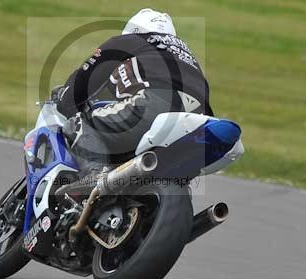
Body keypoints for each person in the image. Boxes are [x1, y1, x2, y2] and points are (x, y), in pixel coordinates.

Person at [53, 9, 212, 175]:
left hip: (158, 105)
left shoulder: (134, 40)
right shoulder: (186, 56)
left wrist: (65, 99)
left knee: (80, 125)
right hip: (200, 120)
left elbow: (86, 78)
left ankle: (95, 177)